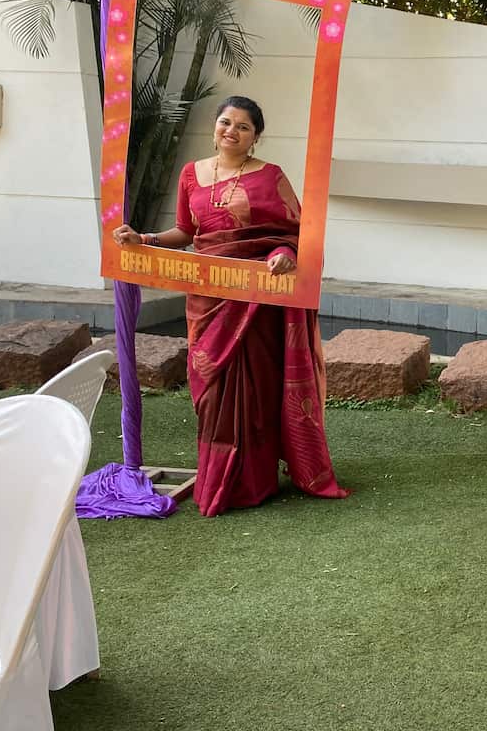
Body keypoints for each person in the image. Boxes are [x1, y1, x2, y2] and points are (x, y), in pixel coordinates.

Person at [113, 95, 349, 517]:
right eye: (226, 122)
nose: (232, 131)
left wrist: (284, 254)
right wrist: (144, 240)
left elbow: (296, 234)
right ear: (214, 126)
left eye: (243, 126)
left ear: (256, 136)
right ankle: (219, 476)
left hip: (257, 299)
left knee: (255, 389)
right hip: (208, 299)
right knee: (212, 391)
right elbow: (185, 232)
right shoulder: (191, 174)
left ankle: (253, 483)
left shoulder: (270, 176)